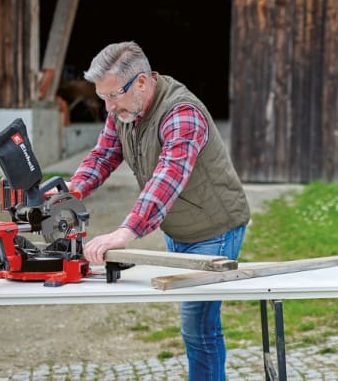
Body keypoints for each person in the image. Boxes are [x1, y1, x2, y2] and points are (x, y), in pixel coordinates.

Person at [65, 40, 251, 380]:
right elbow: (104, 155)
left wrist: (126, 231)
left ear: (140, 82)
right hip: (179, 228)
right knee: (195, 328)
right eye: (102, 97)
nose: (107, 107)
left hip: (214, 229)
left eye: (112, 96)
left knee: (198, 327)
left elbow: (168, 177)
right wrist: (70, 191)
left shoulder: (182, 114)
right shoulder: (125, 109)